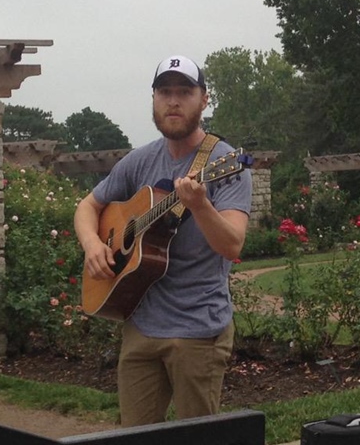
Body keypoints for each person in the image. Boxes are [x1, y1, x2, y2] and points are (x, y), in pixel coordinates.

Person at [74, 54, 252, 427]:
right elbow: (88, 206)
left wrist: (200, 206)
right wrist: (93, 244)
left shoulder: (224, 163)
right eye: (165, 92)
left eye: (184, 92)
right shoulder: (138, 162)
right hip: (140, 324)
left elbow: (232, 245)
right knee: (133, 437)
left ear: (203, 99)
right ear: (153, 99)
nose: (174, 101)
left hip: (197, 330)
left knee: (199, 440)